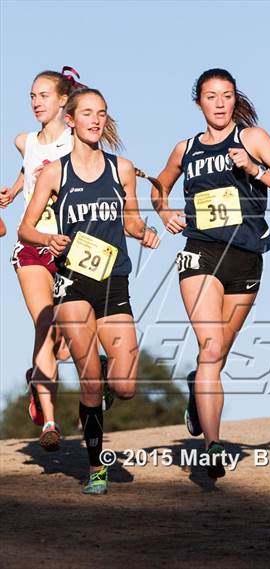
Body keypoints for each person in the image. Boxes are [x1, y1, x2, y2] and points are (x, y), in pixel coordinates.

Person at [152, 68, 270, 478]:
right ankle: (212, 445)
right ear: (198, 101)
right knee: (213, 347)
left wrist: (254, 169)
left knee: (215, 356)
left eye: (227, 96)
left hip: (248, 257)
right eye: (211, 96)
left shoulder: (252, 139)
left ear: (236, 100)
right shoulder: (185, 148)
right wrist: (164, 210)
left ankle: (196, 393)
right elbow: (160, 184)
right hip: (200, 252)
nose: (219, 103)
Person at [19, 87, 160, 494]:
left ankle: (99, 369)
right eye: (88, 114)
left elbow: (131, 222)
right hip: (73, 284)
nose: (96, 121)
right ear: (72, 120)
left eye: (101, 114)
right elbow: (27, 228)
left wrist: (146, 232)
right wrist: (49, 239)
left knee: (126, 386)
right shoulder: (54, 172)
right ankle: (97, 467)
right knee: (91, 384)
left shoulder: (123, 169)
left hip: (114, 281)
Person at [0, 67, 84, 450]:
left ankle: (39, 376)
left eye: (44, 95)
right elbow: (30, 164)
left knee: (66, 342)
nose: (36, 102)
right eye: (32, 96)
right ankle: (50, 422)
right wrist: (15, 191)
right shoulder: (24, 140)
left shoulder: (77, 141)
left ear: (63, 99)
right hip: (33, 244)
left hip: (71, 246)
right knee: (45, 325)